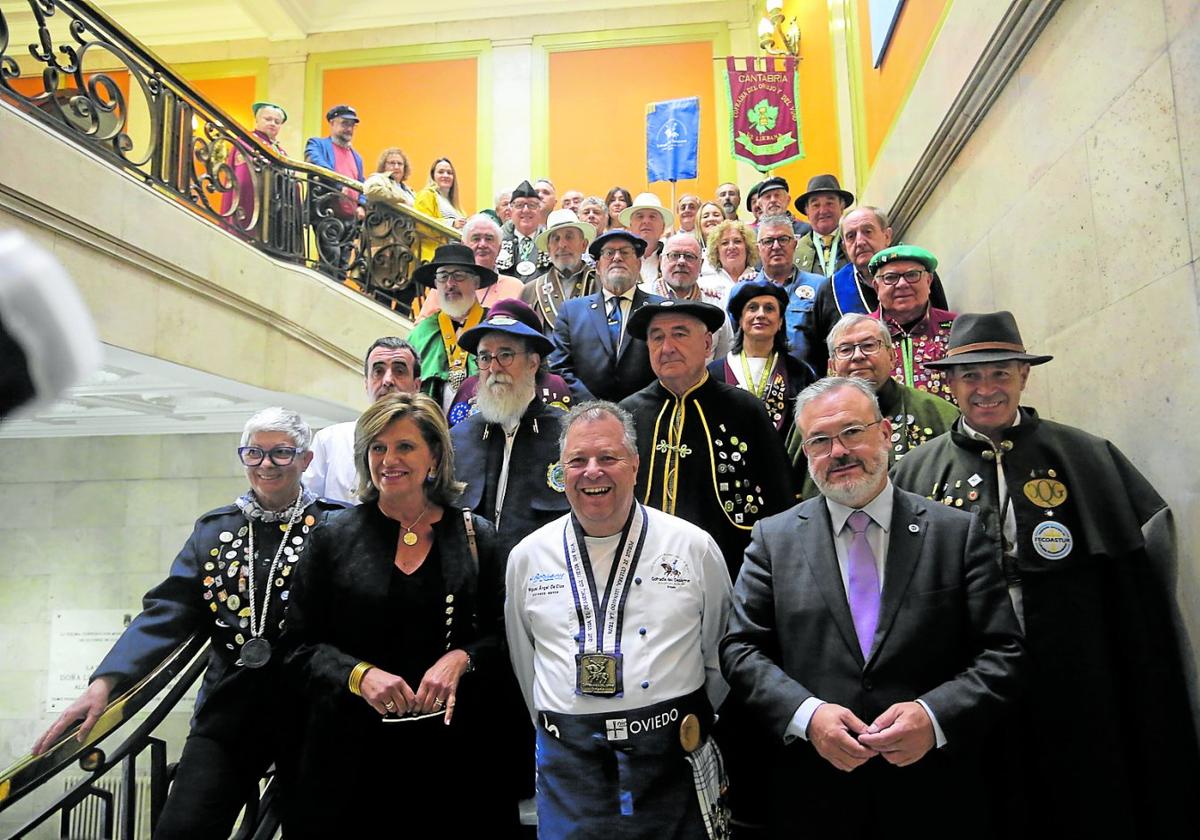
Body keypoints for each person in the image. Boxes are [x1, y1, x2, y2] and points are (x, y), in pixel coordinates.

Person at [891, 311, 1200, 837]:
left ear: (1024, 376)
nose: (986, 389)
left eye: (1000, 374)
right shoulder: (915, 472)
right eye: (971, 376)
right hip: (965, 673)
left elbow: (1138, 585)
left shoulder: (1086, 455)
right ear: (949, 382)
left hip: (1075, 667)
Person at [721, 376, 1026, 838]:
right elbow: (741, 649)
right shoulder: (773, 539)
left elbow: (1004, 651)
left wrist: (935, 715)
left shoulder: (955, 533)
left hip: (936, 791)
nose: (838, 451)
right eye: (819, 441)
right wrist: (806, 715)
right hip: (816, 792)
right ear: (806, 454)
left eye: (851, 432)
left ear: (884, 434)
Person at [33, 409, 345, 839]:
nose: (266, 464)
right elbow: (168, 612)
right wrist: (105, 683)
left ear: (305, 461)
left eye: (281, 453)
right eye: (254, 453)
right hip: (228, 714)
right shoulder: (216, 530)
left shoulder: (338, 525)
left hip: (314, 714)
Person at [505, 401, 734, 839]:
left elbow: (718, 655)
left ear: (634, 465)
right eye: (578, 460)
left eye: (608, 457)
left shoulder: (693, 547)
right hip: (569, 765)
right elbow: (524, 660)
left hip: (671, 759)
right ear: (560, 471)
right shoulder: (527, 557)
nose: (593, 471)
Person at [282, 393, 508, 835]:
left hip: (453, 761)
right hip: (348, 761)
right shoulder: (331, 536)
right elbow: (296, 648)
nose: (389, 460)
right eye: (378, 448)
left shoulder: (476, 536)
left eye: (405, 446)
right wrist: (360, 675)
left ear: (434, 456)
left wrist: (461, 658)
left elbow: (505, 636)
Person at [619, 299, 793, 578]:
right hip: (641, 571)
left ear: (707, 343)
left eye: (679, 334)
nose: (667, 348)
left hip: (730, 569)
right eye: (657, 338)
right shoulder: (627, 413)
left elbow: (779, 497)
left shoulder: (744, 409)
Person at [806, 206, 949, 376]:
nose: (860, 241)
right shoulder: (830, 290)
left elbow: (940, 324)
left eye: (868, 231)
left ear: (887, 236)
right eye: (851, 236)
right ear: (844, 246)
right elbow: (819, 356)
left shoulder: (917, 274)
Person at [548, 229, 664, 402]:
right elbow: (559, 367)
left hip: (645, 415)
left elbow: (667, 364)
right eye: (609, 253)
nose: (617, 258)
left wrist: (636, 406)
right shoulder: (571, 312)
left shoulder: (659, 309)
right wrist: (595, 408)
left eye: (625, 252)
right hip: (586, 416)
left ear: (639, 265)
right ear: (598, 267)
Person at [305, 337, 421, 504]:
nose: (388, 380)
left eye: (399, 371)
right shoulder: (329, 441)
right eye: (378, 371)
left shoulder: (430, 443)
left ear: (417, 385)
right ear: (366, 383)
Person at [708, 280, 815, 436]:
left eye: (769, 308)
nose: (761, 314)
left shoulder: (800, 373)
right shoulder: (714, 373)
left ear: (780, 322)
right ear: (740, 319)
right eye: (752, 308)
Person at [446, 298, 571, 426]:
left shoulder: (553, 387)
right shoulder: (468, 388)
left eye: (505, 355)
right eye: (485, 358)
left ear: (533, 363)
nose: (493, 368)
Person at [408, 242, 494, 410]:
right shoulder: (421, 333)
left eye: (458, 275)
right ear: (436, 283)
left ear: (475, 282)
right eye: (443, 276)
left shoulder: (494, 326)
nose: (450, 284)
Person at [868, 245, 957, 402]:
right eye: (890, 278)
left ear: (928, 281)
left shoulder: (957, 328)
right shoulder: (858, 335)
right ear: (876, 287)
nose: (902, 284)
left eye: (912, 275)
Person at [742, 214, 828, 367]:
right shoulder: (743, 291)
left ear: (795, 244)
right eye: (768, 241)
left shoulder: (820, 286)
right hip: (757, 382)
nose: (776, 246)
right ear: (758, 248)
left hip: (809, 383)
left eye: (783, 239)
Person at [641, 233, 733, 361]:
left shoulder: (715, 303)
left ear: (701, 264)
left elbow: (724, 358)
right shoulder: (640, 298)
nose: (681, 262)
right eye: (674, 255)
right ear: (661, 261)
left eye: (689, 257)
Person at [417, 214, 527, 320]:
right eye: (476, 238)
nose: (482, 244)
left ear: (500, 247)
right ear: (464, 245)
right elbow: (422, 330)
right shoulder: (445, 284)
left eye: (489, 239)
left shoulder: (515, 287)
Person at [304, 104, 365, 271]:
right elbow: (316, 163)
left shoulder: (357, 157)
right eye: (344, 123)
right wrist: (339, 184)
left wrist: (362, 204)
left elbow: (362, 183)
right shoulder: (317, 144)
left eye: (352, 125)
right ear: (332, 123)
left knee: (342, 266)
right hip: (326, 212)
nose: (349, 128)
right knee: (330, 260)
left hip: (350, 218)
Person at [521, 207, 597, 330]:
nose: (562, 245)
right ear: (549, 248)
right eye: (556, 239)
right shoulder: (530, 291)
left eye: (569, 237)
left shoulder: (601, 283)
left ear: (584, 245)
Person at [220, 101, 288, 235]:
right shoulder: (247, 140)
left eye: (277, 121)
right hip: (251, 197)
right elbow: (244, 176)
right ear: (257, 121)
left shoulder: (281, 151)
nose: (272, 123)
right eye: (268, 119)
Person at [791, 174, 853, 278]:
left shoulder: (855, 242)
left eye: (830, 203)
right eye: (816, 205)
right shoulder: (795, 251)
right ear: (807, 211)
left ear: (842, 206)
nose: (823, 211)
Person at [496, 180, 552, 280]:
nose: (526, 210)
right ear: (511, 210)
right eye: (519, 205)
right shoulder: (498, 242)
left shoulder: (550, 242)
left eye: (532, 205)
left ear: (539, 210)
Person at [620, 192, 674, 284]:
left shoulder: (673, 259)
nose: (646, 221)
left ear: (663, 226)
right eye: (640, 216)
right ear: (630, 226)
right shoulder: (619, 259)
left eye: (652, 217)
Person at [413, 156, 466, 230]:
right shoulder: (426, 195)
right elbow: (422, 224)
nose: (445, 175)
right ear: (433, 176)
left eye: (449, 173)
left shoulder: (457, 206)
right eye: (441, 172)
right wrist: (452, 223)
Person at [704, 218, 758, 287]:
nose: (731, 247)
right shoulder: (706, 284)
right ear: (716, 251)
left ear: (747, 247)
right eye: (725, 243)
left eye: (737, 241)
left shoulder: (760, 281)